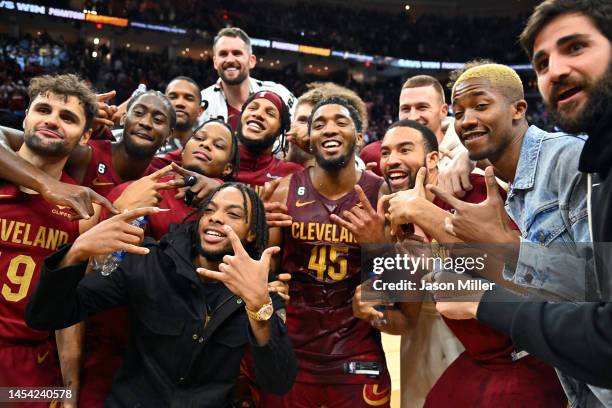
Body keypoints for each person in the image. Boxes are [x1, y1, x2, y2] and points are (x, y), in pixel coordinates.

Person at [435, 0, 612, 400]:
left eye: (481, 107)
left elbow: (596, 293)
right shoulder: (497, 180)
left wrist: (503, 255)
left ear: (519, 109)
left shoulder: (571, 160)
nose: (466, 121)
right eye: (459, 113)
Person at [344, 120, 566, 407]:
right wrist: (373, 296)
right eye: (385, 153)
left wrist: (430, 223)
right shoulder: (399, 220)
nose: (392, 160)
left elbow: (525, 280)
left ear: (433, 158)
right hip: (480, 358)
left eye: (404, 149)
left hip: (527, 353)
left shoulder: (472, 190)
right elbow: (405, 316)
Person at [25, 183, 297, 407]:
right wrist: (76, 252)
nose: (216, 217)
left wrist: (259, 309)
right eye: (210, 210)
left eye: (233, 214)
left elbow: (278, 381)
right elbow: (45, 316)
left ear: (251, 234)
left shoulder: (259, 289)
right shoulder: (149, 260)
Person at [261, 96, 391, 407]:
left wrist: (378, 245)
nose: (329, 129)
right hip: (293, 350)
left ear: (359, 138)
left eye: (341, 122)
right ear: (310, 139)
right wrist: (259, 231)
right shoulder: (283, 189)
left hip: (358, 352)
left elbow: (396, 287)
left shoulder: (381, 192)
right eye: (319, 124)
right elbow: (265, 271)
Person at [0, 74, 103, 406]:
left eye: (68, 117)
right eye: (43, 109)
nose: (52, 121)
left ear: (86, 136)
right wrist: (47, 185)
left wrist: (69, 391)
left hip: (29, 366)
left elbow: (68, 312)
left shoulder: (85, 211)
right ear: (26, 116)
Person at [1, 89, 176, 197]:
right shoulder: (85, 155)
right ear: (122, 119)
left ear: (169, 135)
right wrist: (47, 183)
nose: (145, 123)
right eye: (138, 113)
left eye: (158, 120)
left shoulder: (164, 181)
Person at [359, 75, 464, 175]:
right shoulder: (375, 156)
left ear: (443, 111)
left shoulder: (465, 154)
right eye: (405, 109)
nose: (413, 117)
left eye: (422, 107)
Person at [200, 27, 296, 130]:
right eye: (223, 54)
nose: (230, 60)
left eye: (237, 53)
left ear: (252, 61)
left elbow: (305, 125)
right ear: (215, 62)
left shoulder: (280, 94)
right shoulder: (201, 103)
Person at [233, 90, 302, 191]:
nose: (258, 114)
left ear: (280, 131)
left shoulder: (294, 175)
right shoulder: (216, 162)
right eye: (252, 108)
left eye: (270, 113)